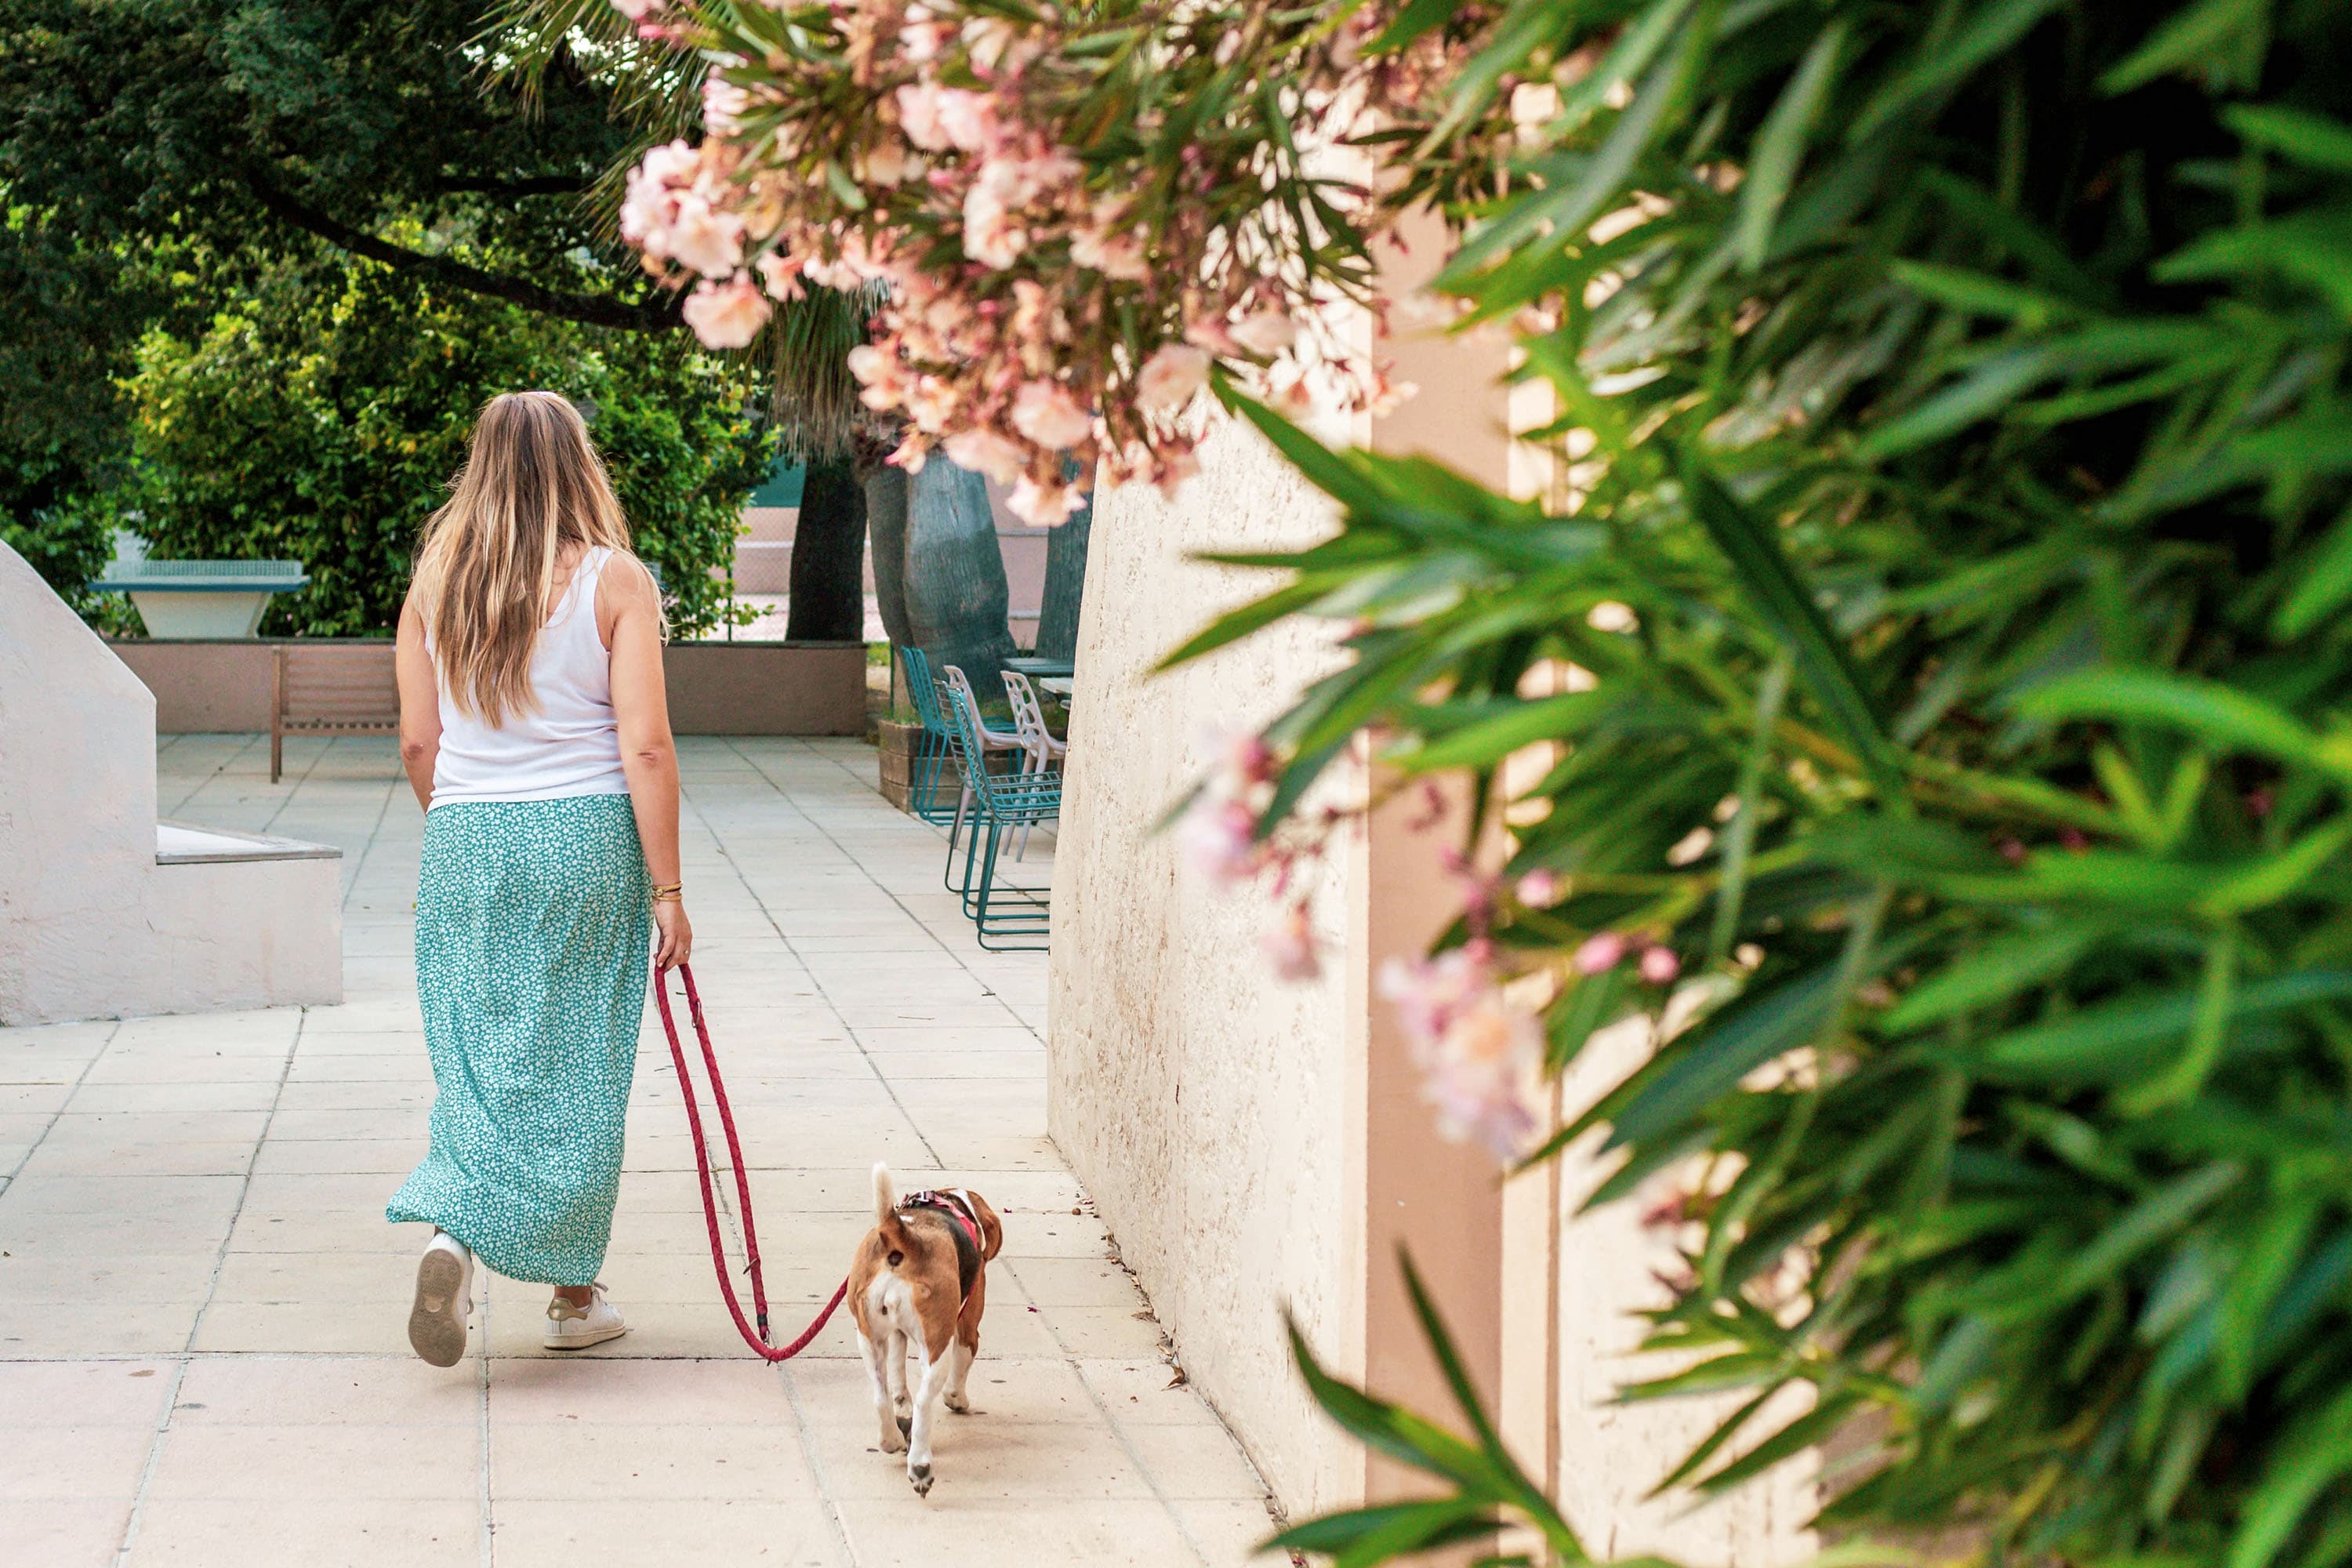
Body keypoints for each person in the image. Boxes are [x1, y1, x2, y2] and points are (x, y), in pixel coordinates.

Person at [385, 390, 692, 1367]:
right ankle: (571, 1295)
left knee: (476, 1055)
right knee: (580, 1065)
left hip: (465, 836)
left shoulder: (437, 577)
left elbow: (417, 738)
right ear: (578, 465)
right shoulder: (615, 580)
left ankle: (454, 1236)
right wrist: (668, 888)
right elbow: (644, 746)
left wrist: (465, 822)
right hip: (583, 837)